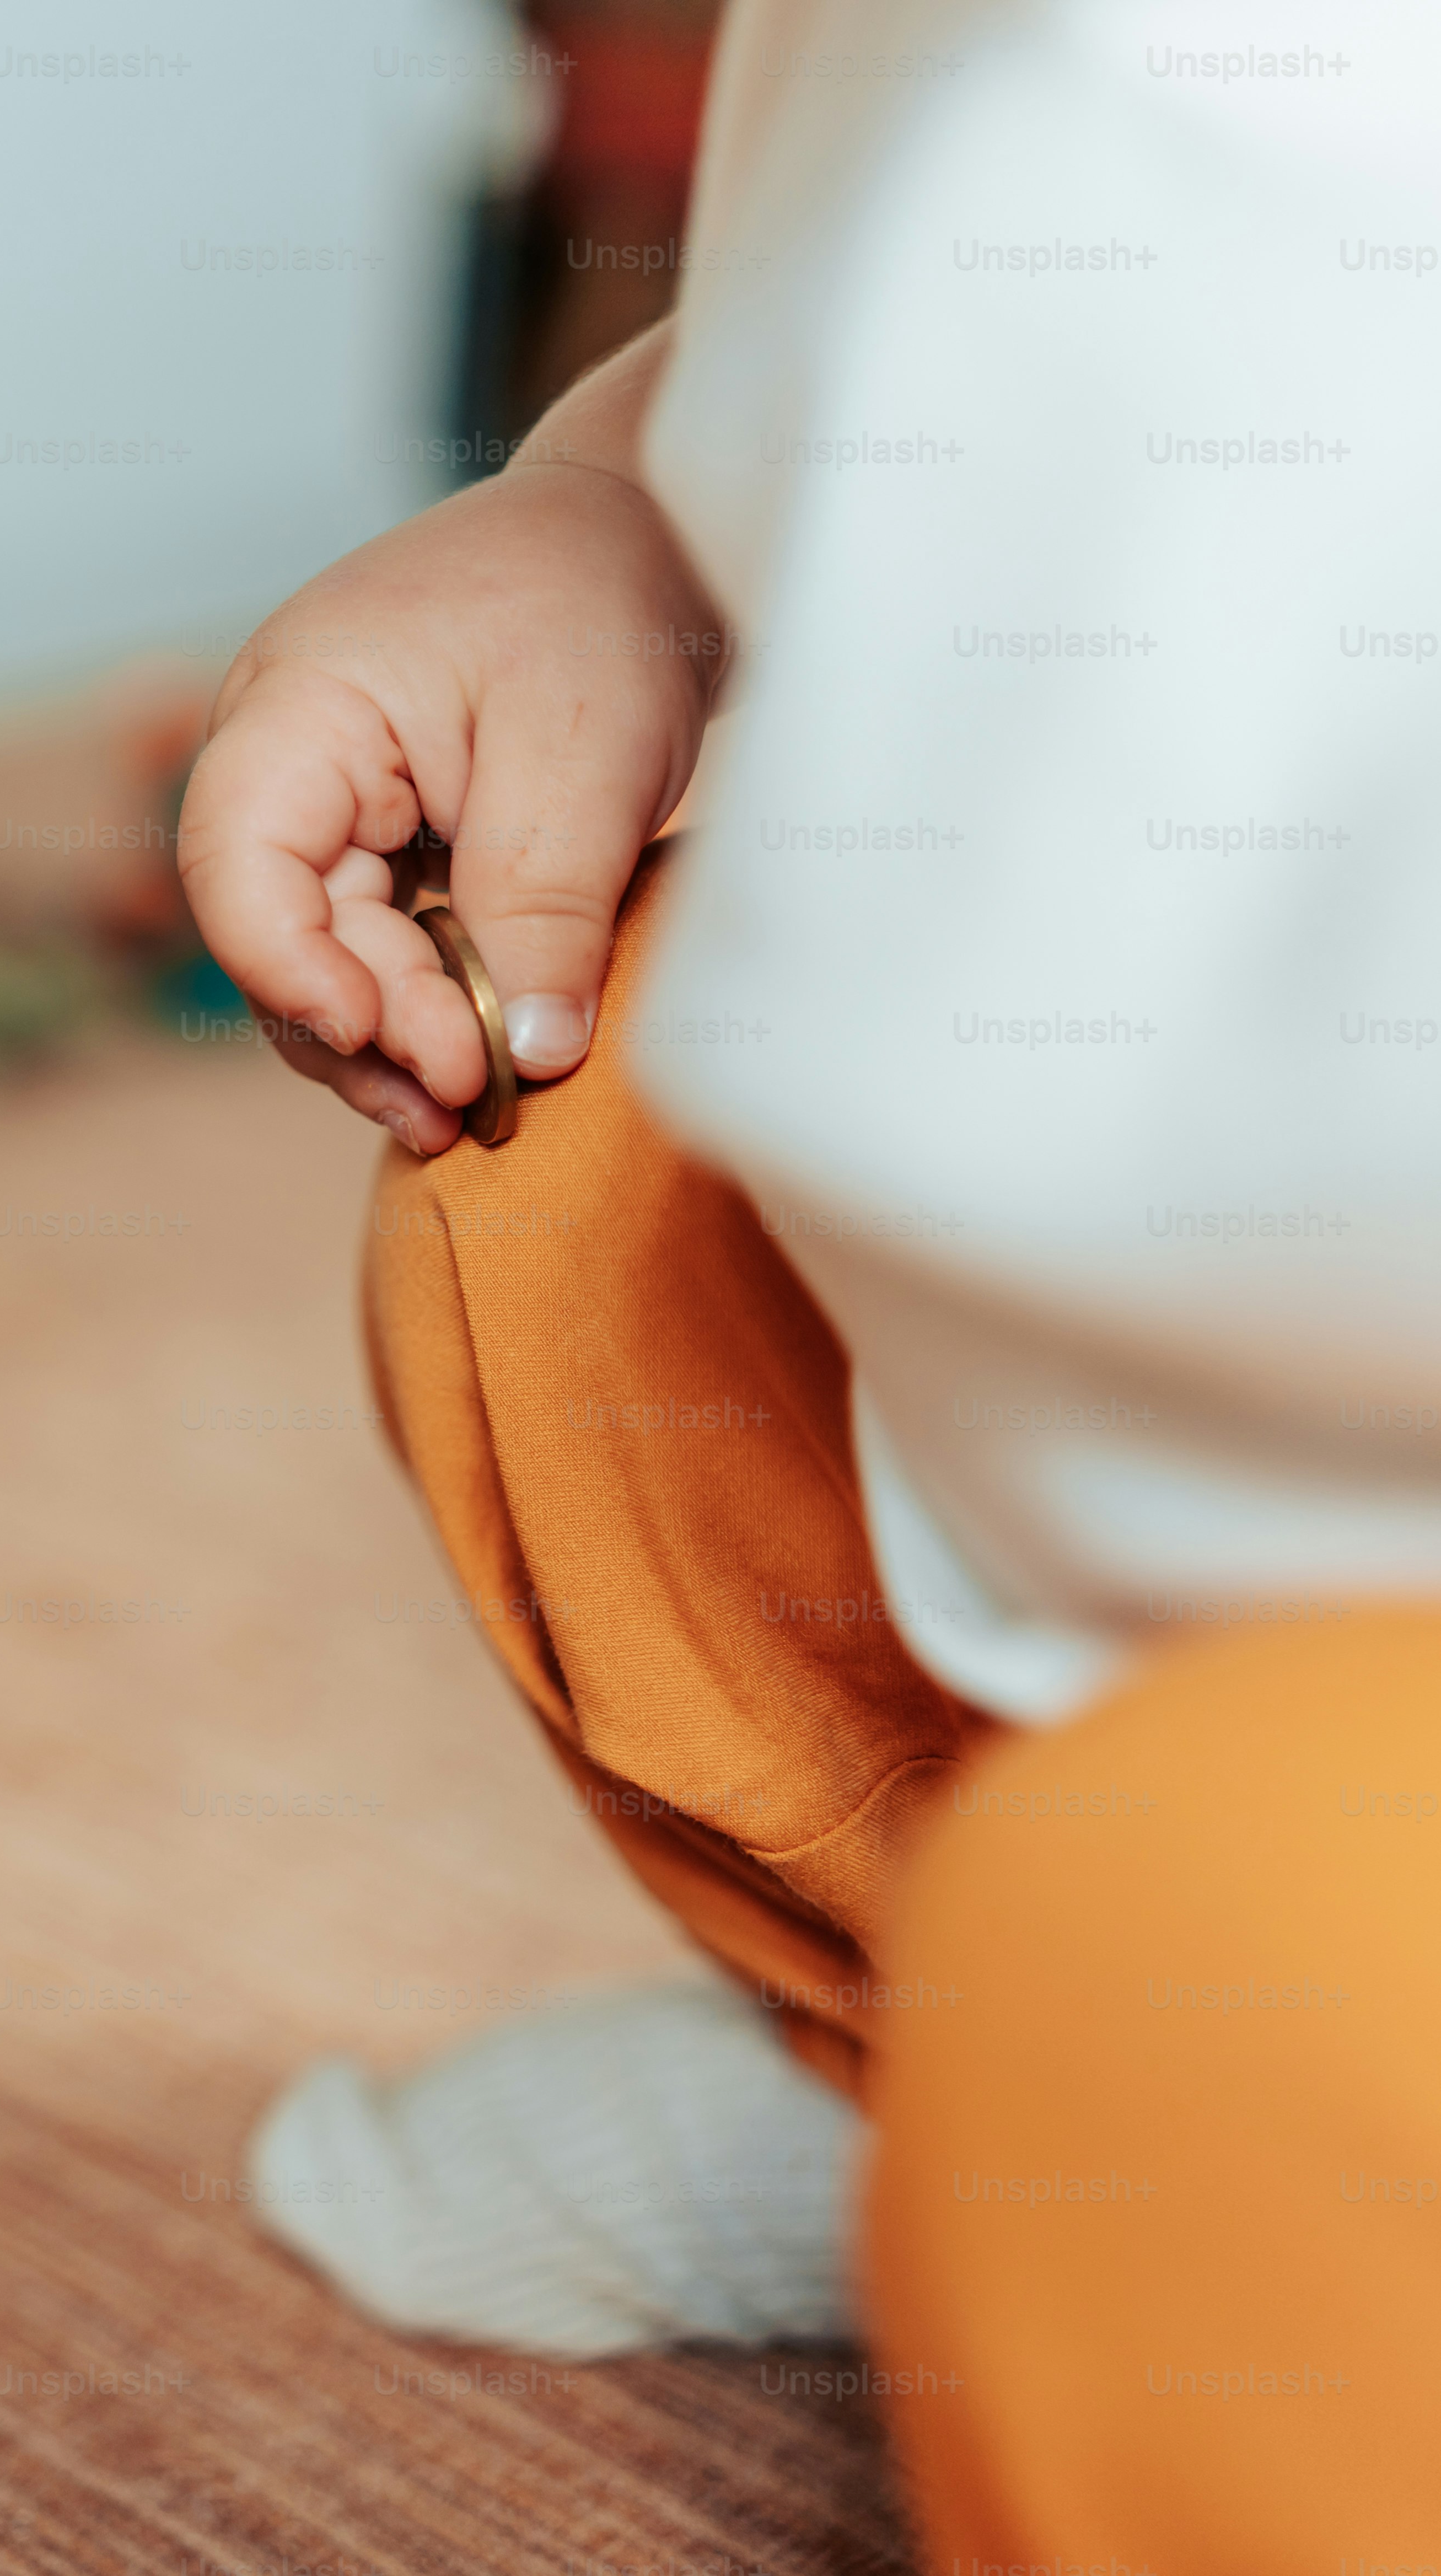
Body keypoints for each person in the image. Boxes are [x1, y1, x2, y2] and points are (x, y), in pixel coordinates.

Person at [177, 0, 1441, 2557]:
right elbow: (902, 304)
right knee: (567, 1162)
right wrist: (626, 509)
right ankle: (923, 2037)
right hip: (1164, 1436)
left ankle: (1111, 2058)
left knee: (1226, 1931)